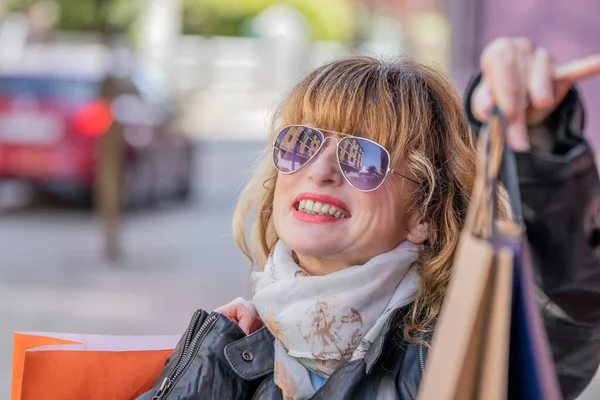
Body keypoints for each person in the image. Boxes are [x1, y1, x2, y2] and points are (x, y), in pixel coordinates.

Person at [139, 38, 600, 400]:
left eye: (360, 157)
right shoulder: (238, 345)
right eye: (302, 142)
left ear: (423, 214)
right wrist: (210, 370)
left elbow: (559, 309)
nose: (319, 170)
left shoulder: (451, 356)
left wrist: (539, 146)